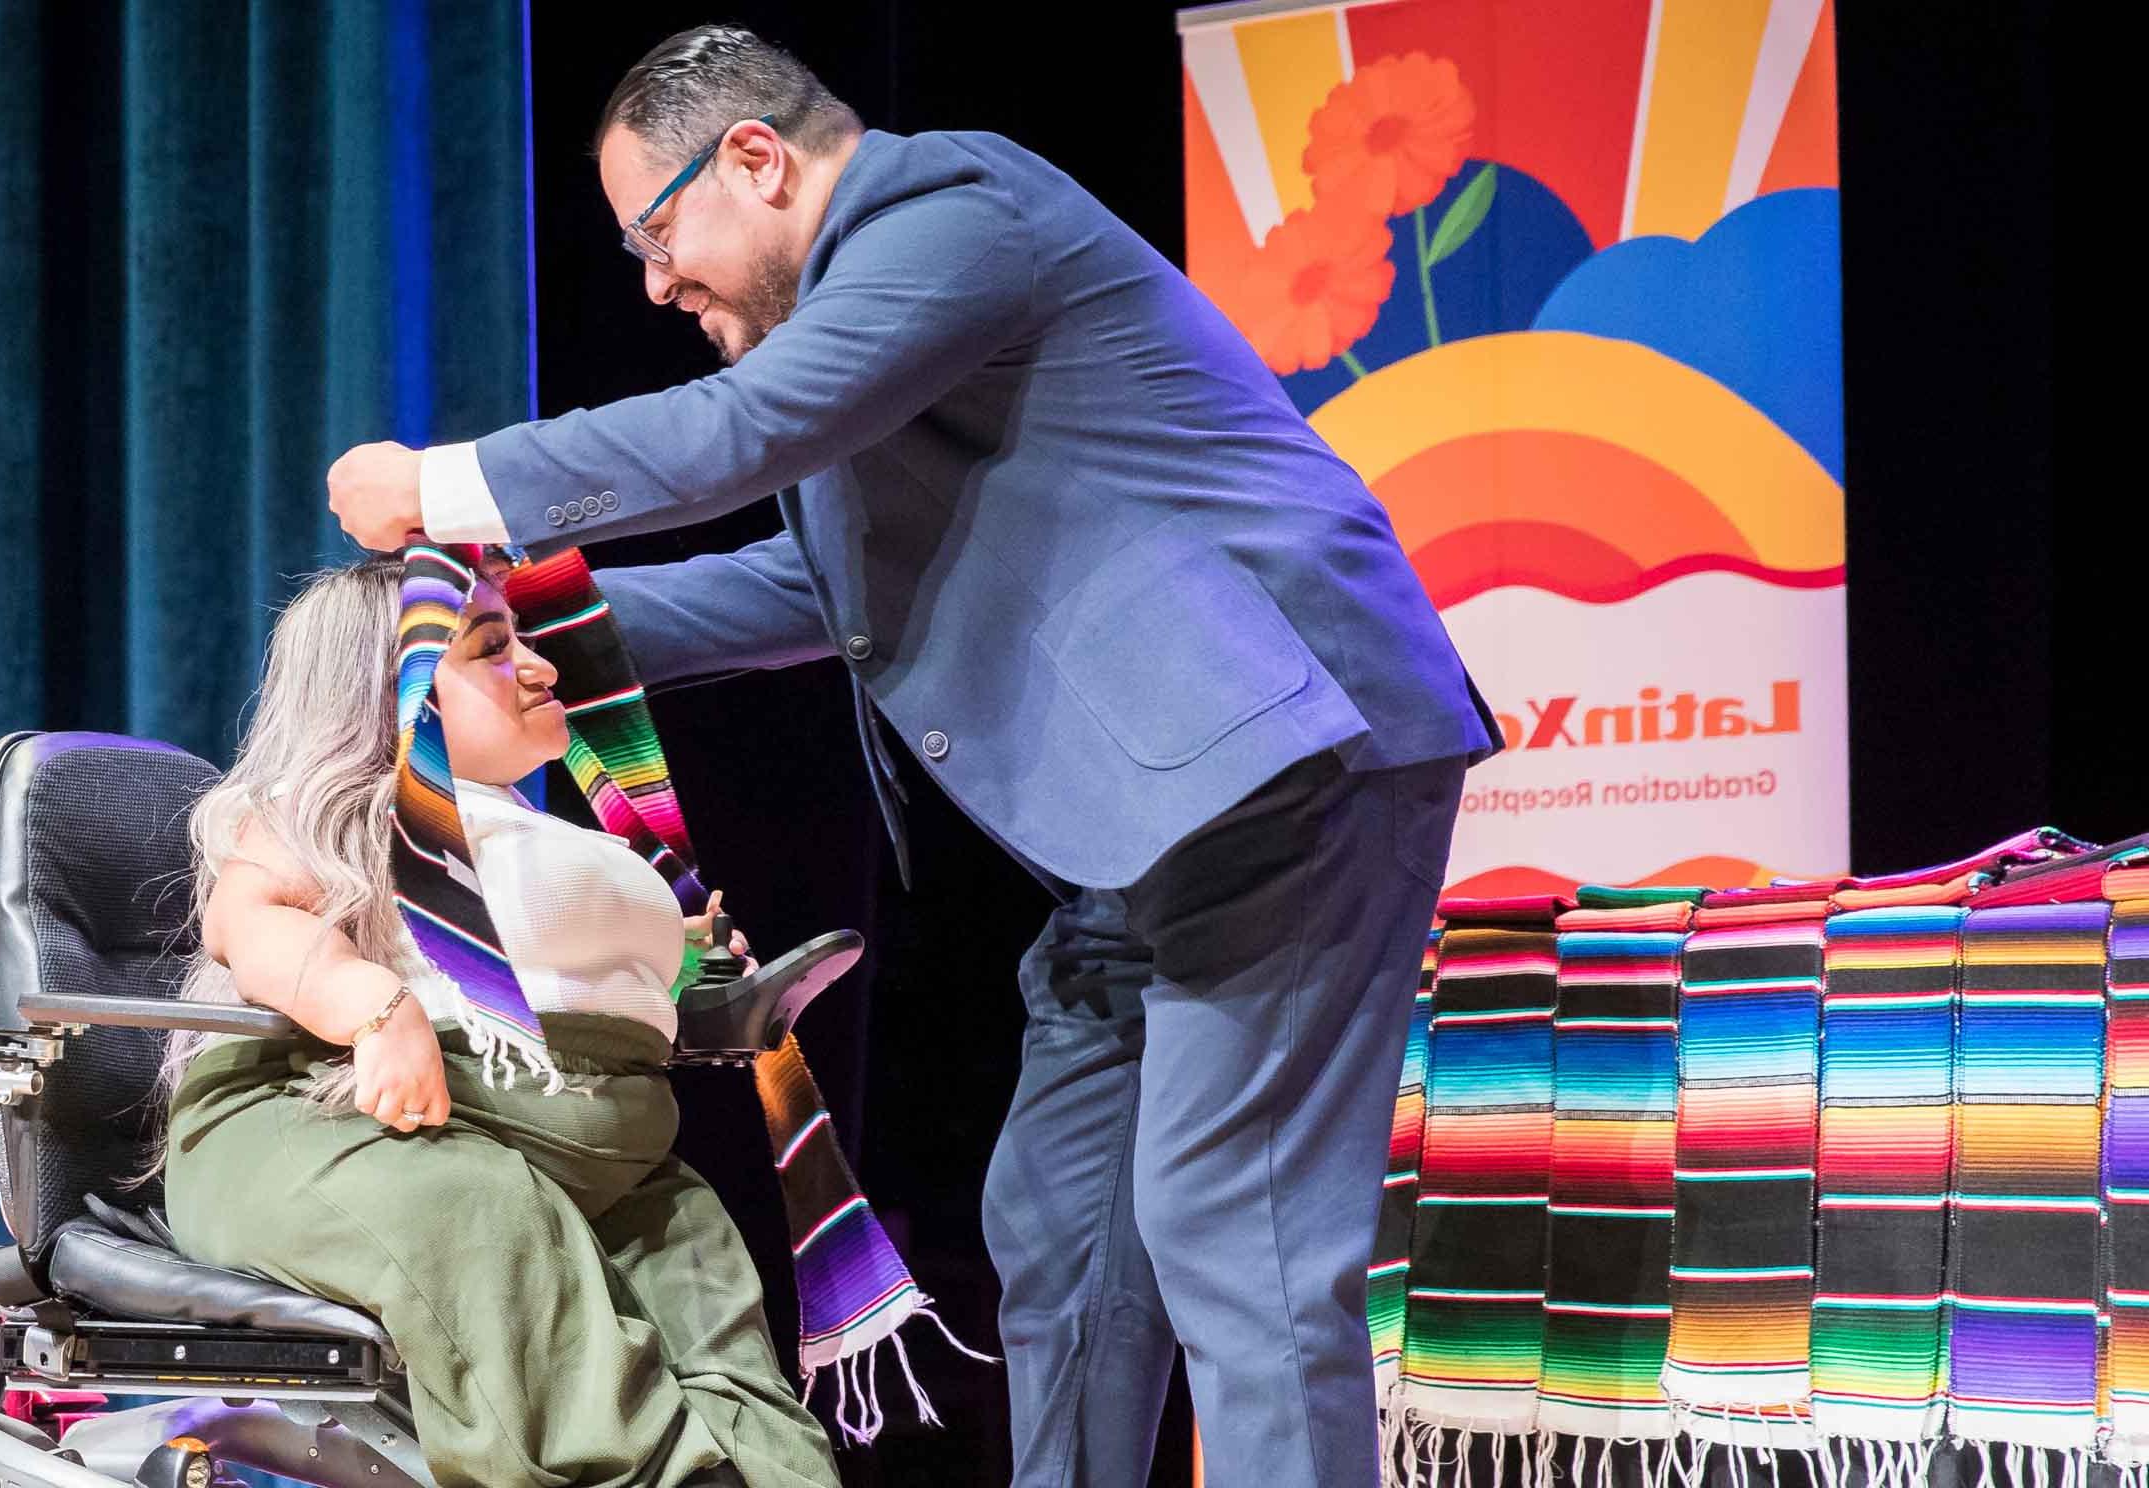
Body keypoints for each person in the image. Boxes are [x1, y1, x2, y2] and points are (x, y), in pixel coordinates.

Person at [321, 23, 1501, 1487]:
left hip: (1293, 766)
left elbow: (750, 428)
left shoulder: (951, 214)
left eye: (658, 230)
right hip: (1147, 835)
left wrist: (451, 486)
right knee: (1062, 1226)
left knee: (1235, 1227)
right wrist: (531, 631)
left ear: (754, 159)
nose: (655, 281)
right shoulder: (864, 332)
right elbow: (811, 592)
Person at [156, 555, 840, 1488]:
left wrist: (683, 969)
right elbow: (245, 923)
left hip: (562, 1145)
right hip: (311, 1121)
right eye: (491, 647)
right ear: (391, 695)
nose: (541, 666)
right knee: (476, 1212)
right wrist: (373, 1005)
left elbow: (559, 975)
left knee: (691, 1245)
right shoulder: (334, 811)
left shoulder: (521, 832)